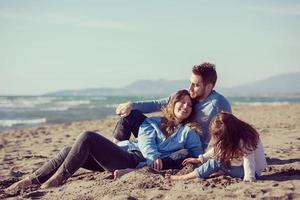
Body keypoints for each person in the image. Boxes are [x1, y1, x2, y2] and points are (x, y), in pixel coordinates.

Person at [5, 90, 203, 193]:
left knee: (88, 136)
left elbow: (194, 154)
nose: (185, 106)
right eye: (181, 102)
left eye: (189, 104)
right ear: (173, 104)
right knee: (68, 150)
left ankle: (59, 178)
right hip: (127, 154)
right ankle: (32, 180)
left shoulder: (189, 133)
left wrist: (155, 163)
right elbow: (145, 140)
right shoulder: (152, 122)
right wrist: (153, 157)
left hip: (132, 162)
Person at [113, 62, 231, 149]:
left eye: (195, 85)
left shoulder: (217, 105)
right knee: (130, 115)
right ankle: (114, 150)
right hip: (163, 134)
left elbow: (226, 137)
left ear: (209, 87)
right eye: (190, 82)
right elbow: (159, 104)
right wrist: (131, 105)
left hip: (182, 146)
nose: (190, 88)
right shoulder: (187, 94)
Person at [168, 112, 267, 182]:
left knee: (216, 162)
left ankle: (182, 178)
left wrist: (249, 177)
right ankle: (222, 170)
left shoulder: (245, 139)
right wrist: (200, 159)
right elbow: (218, 148)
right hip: (241, 167)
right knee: (219, 159)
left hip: (253, 173)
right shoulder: (238, 131)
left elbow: (248, 159)